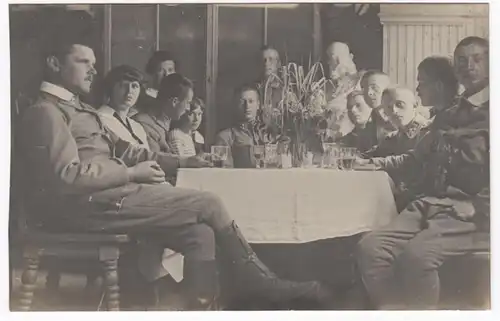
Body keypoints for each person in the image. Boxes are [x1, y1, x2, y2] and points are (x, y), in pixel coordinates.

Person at [19, 37, 332, 311]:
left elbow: (131, 151)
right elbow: (68, 176)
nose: (92, 70)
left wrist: (186, 162)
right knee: (208, 203)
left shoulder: (79, 108)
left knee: (201, 234)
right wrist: (130, 174)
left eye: (94, 63)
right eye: (83, 61)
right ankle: (265, 283)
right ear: (54, 64)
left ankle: (202, 308)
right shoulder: (46, 112)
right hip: (89, 206)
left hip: (108, 196)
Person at [356, 36, 490, 310]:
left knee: (417, 257)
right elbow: (418, 159)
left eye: (477, 59)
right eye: (462, 61)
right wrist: (375, 164)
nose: (468, 66)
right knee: (370, 248)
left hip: (473, 214)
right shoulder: (448, 114)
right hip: (433, 205)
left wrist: (479, 206)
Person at [214, 84, 275, 168]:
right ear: (235, 105)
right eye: (242, 102)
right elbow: (224, 172)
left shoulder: (269, 134)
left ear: (258, 105)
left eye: (251, 101)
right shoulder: (225, 137)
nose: (247, 106)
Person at [133, 73, 193, 154]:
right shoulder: (143, 124)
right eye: (187, 103)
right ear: (174, 102)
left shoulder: (174, 123)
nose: (188, 108)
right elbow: (155, 160)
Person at [97, 65, 149, 149]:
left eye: (134, 86)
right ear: (111, 88)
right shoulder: (99, 119)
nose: (129, 91)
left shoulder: (137, 127)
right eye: (123, 85)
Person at [323, 41, 362, 140]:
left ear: (351, 57)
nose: (336, 64)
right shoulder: (326, 86)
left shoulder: (360, 84)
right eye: (332, 59)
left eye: (339, 58)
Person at [131, 50, 178, 117]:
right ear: (152, 72)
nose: (166, 75)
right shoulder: (141, 94)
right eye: (160, 70)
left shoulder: (177, 95)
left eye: (170, 70)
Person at [359, 70, 397, 144]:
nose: (368, 93)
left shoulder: (398, 114)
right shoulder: (374, 115)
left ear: (388, 89)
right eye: (364, 88)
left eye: (374, 88)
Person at [255, 46, 284, 137]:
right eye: (264, 60)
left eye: (271, 59)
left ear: (278, 64)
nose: (266, 63)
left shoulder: (285, 89)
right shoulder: (253, 88)